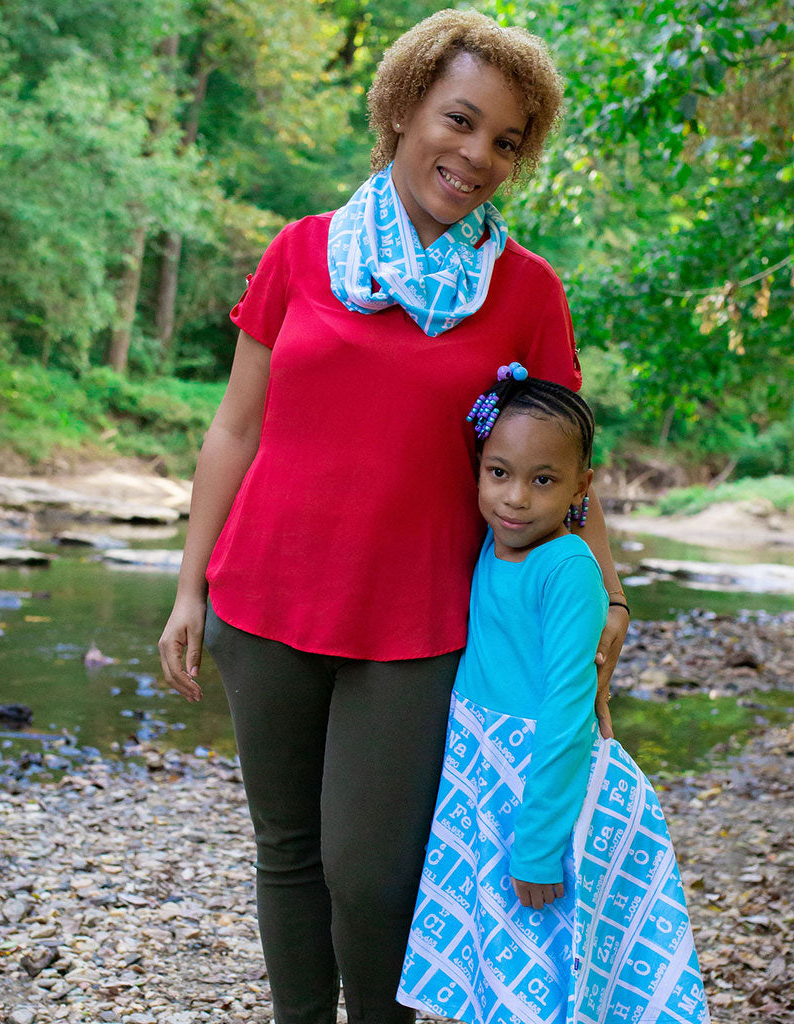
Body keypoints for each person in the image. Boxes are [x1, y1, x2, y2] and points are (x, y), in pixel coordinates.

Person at [158, 10, 631, 1023]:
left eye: (505, 141)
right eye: (459, 121)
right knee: (286, 853)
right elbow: (234, 430)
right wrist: (189, 584)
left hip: (419, 629)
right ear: (404, 108)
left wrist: (606, 607)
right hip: (263, 602)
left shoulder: (527, 291)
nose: (476, 156)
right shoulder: (301, 253)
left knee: (374, 876)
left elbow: (564, 466)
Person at [397, 368, 709, 1024]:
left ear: (580, 487)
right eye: (499, 473)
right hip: (492, 775)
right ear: (479, 470)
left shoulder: (567, 568)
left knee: (545, 959)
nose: (514, 499)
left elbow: (567, 714)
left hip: (548, 789)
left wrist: (538, 844)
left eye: (543, 481)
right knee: (502, 952)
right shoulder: (497, 542)